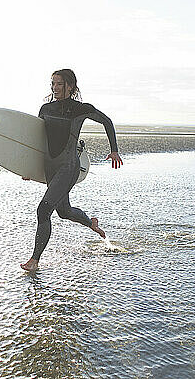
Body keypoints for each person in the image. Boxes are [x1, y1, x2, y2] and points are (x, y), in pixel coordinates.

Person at [20, 69, 123, 272]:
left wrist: (114, 150)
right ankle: (91, 223)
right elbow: (38, 140)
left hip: (68, 166)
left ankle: (34, 261)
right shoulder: (45, 109)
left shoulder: (80, 109)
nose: (55, 88)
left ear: (71, 86)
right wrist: (27, 166)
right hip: (50, 165)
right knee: (64, 211)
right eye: (53, 84)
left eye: (59, 84)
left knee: (43, 210)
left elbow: (107, 122)